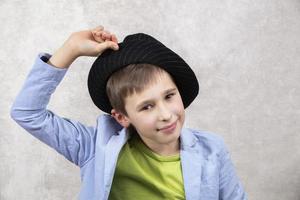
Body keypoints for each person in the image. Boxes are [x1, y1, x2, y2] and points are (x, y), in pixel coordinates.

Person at [10, 25, 247, 200]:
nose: (166, 114)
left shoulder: (212, 151)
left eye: (169, 96)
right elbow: (27, 113)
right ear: (122, 117)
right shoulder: (93, 147)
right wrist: (70, 49)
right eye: (147, 106)